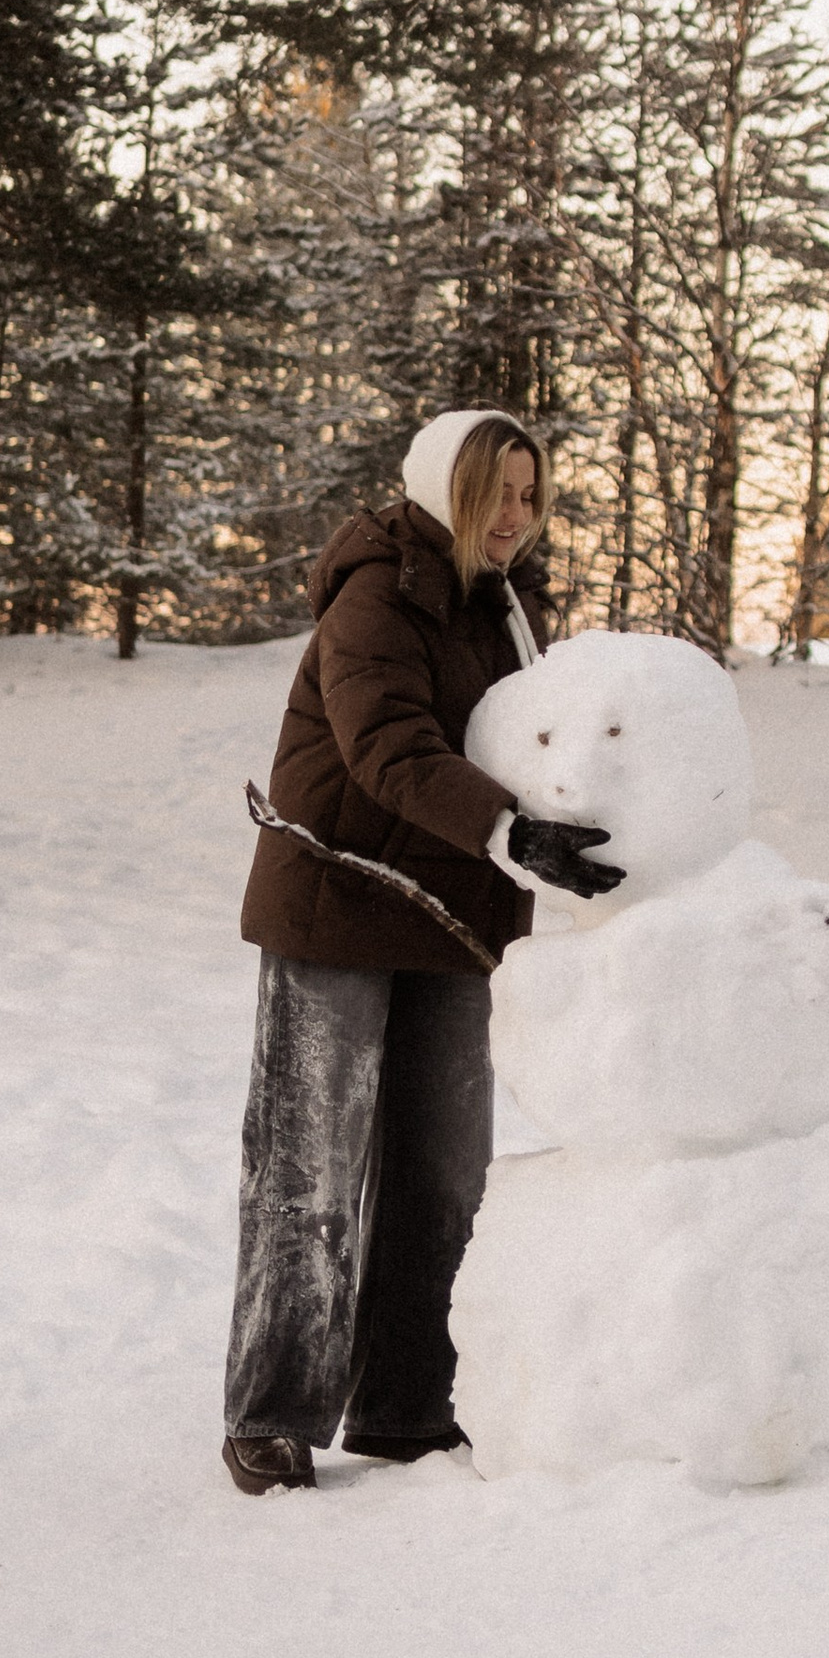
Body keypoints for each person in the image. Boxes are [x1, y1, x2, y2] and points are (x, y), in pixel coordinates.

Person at [220, 408, 623, 1497]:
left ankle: (405, 1403)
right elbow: (387, 747)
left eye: (531, 496)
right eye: (496, 492)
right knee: (311, 1171)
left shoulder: (515, 613)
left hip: (456, 915)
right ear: (445, 489)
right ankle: (272, 1413)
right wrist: (510, 832)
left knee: (442, 1175)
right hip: (342, 906)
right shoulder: (377, 593)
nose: (515, 517)